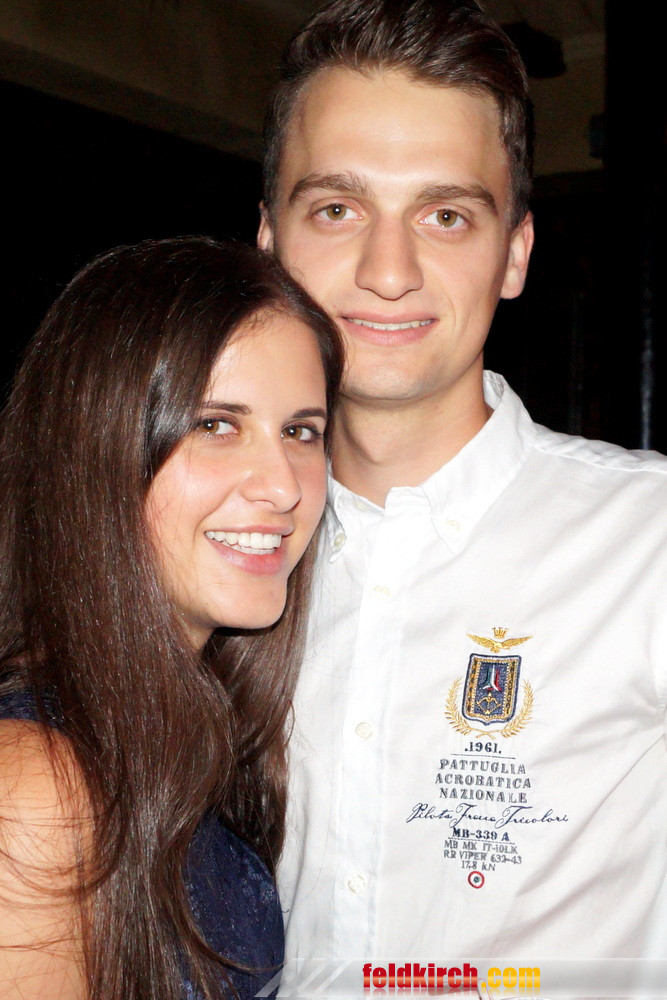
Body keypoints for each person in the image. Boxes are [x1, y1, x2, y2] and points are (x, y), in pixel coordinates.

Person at [257, 0, 667, 965]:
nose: (387, 270)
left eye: (444, 215)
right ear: (267, 243)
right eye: (337, 209)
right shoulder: (209, 550)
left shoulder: (647, 539)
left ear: (514, 254)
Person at [0, 236, 343, 999]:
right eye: (216, 424)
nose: (283, 486)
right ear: (95, 443)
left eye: (300, 431)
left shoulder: (200, 736)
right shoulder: (36, 789)